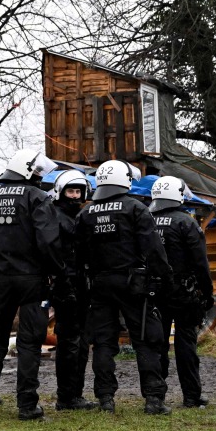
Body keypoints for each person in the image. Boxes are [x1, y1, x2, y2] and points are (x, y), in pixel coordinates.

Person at [0, 148, 63, 420]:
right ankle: (27, 405)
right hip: (33, 281)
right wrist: (56, 272)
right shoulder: (38, 197)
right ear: (28, 171)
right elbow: (48, 241)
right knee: (30, 343)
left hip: (1, 281)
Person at [76, 159, 173, 415]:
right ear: (125, 180)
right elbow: (153, 248)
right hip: (134, 284)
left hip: (99, 284)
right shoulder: (135, 208)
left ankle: (105, 398)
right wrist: (164, 278)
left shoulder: (85, 213)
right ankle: (153, 399)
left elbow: (78, 254)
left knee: (103, 342)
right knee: (145, 339)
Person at [148, 175, 215, 408]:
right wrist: (207, 294)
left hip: (154, 291)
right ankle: (191, 396)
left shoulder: (145, 220)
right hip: (185, 293)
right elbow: (200, 263)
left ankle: (156, 396)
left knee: (157, 345)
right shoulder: (186, 222)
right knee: (186, 344)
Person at [50, 170, 95, 412]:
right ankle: (66, 397)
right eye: (71, 191)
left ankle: (75, 394)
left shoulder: (80, 217)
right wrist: (62, 284)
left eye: (78, 191)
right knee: (69, 343)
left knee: (81, 341)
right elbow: (55, 254)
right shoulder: (56, 218)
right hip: (65, 285)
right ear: (61, 192)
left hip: (81, 284)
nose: (75, 195)